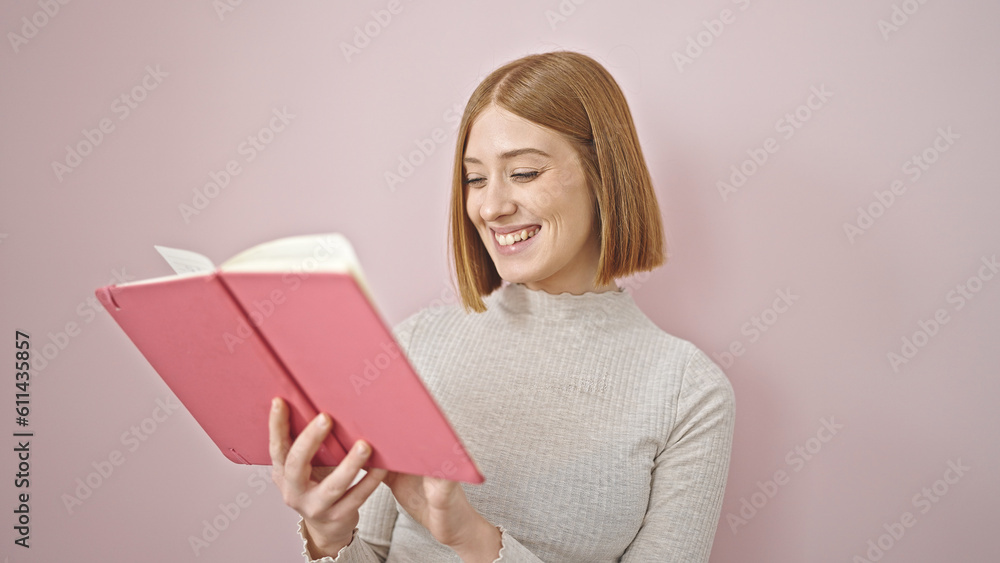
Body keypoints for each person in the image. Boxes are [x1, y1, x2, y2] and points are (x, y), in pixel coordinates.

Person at [269, 50, 736, 562]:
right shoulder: (419, 343)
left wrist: (475, 540)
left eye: (525, 172)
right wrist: (329, 537)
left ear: (604, 174)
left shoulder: (688, 393)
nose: (491, 206)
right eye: (475, 179)